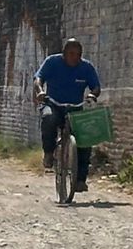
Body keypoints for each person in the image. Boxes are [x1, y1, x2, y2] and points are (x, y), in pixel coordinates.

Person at [34, 38, 101, 191]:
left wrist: (92, 95)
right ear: (64, 53)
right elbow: (38, 78)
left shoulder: (86, 68)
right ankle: (49, 153)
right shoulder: (52, 62)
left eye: (78, 54)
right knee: (49, 119)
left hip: (75, 107)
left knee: (85, 138)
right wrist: (40, 91)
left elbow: (96, 86)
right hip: (53, 104)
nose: (74, 57)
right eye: (71, 53)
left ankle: (80, 180)